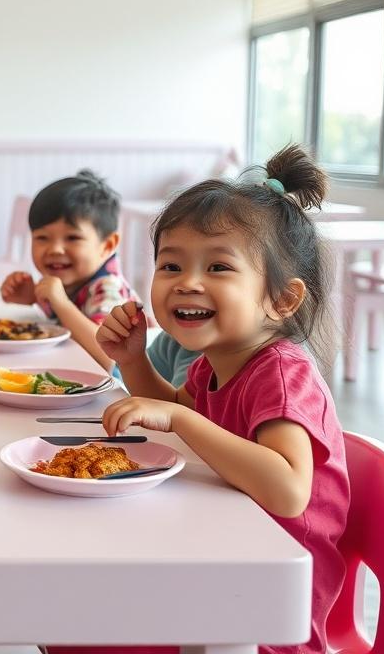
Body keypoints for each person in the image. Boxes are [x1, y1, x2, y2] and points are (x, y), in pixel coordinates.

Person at [92, 146, 348, 654]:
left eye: (218, 267)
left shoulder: (281, 374)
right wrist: (134, 359)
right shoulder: (214, 360)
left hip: (266, 611)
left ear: (282, 299)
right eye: (170, 264)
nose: (187, 282)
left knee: (94, 624)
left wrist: (180, 418)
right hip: (216, 556)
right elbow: (174, 406)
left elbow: (288, 489)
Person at [0, 170, 140, 371]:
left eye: (72, 238)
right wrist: (33, 297)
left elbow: (109, 356)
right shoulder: (71, 281)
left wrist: (60, 302)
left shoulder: (108, 288)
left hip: (121, 394)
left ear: (107, 245)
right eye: (42, 238)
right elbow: (63, 322)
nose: (55, 249)